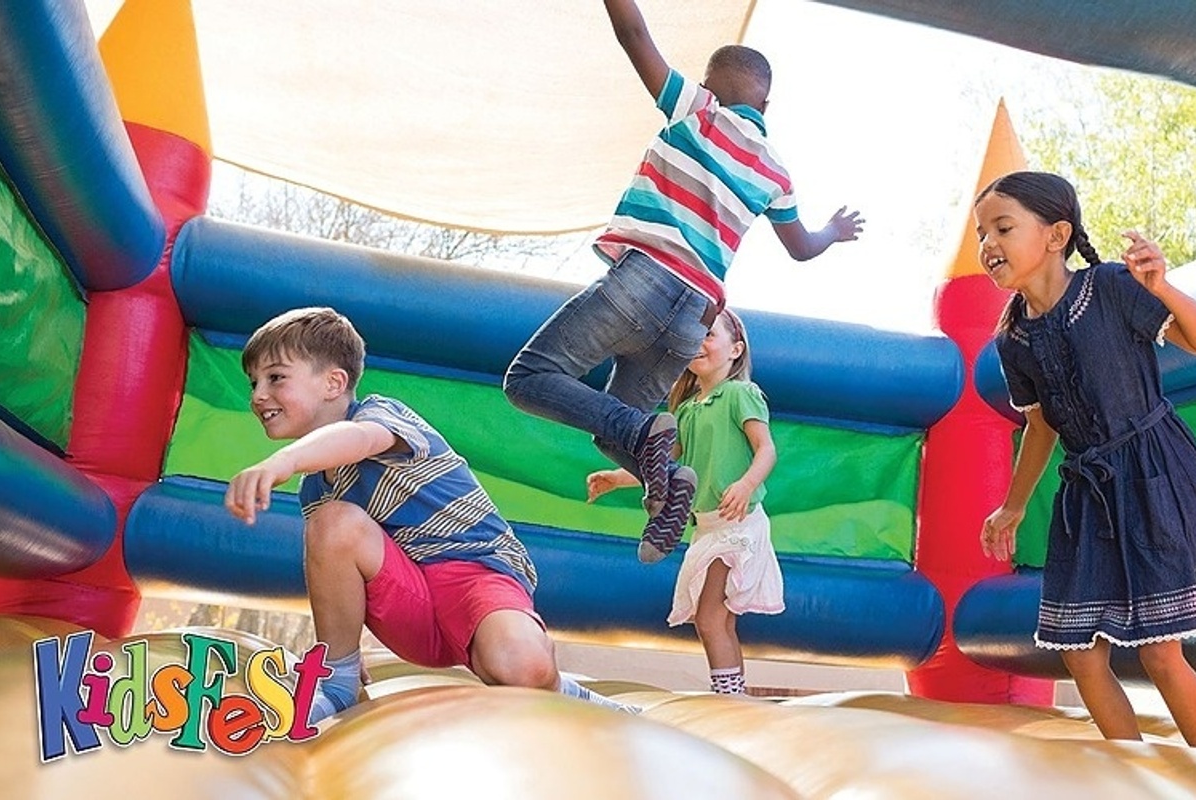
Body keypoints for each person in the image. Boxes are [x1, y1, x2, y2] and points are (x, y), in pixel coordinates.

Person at [503, 0, 863, 566]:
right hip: (695, 313)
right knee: (618, 435)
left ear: (706, 86)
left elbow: (632, 33)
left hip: (645, 280)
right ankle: (670, 484)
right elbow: (800, 248)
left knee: (529, 378)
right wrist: (833, 232)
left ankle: (649, 445)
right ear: (767, 104)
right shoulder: (775, 171)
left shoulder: (698, 111)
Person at [224, 307, 635, 724]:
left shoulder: (381, 416)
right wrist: (338, 648)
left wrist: (284, 461)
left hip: (475, 574)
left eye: (275, 377)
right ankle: (339, 680)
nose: (258, 394)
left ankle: (562, 688)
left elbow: (358, 439)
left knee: (520, 666)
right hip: (411, 605)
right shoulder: (318, 489)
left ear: (334, 382)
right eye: (253, 382)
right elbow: (338, 574)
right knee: (333, 522)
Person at [974, 172, 1196, 750]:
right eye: (982, 233)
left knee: (1159, 649)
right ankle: (1133, 774)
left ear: (1056, 235)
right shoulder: (1014, 339)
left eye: (1003, 227)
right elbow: (1041, 423)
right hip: (1089, 493)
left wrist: (1163, 286)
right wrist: (1013, 506)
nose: (988, 244)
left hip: (1152, 472)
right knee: (1080, 654)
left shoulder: (1110, 288)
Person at [586, 309, 783, 696]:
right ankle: (734, 692)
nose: (700, 344)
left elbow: (766, 450)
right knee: (715, 619)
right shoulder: (688, 408)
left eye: (709, 335)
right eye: (694, 338)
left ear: (735, 349)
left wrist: (745, 484)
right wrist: (616, 479)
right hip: (707, 527)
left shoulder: (740, 394)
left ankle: (729, 695)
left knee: (711, 617)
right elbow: (669, 465)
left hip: (738, 525)